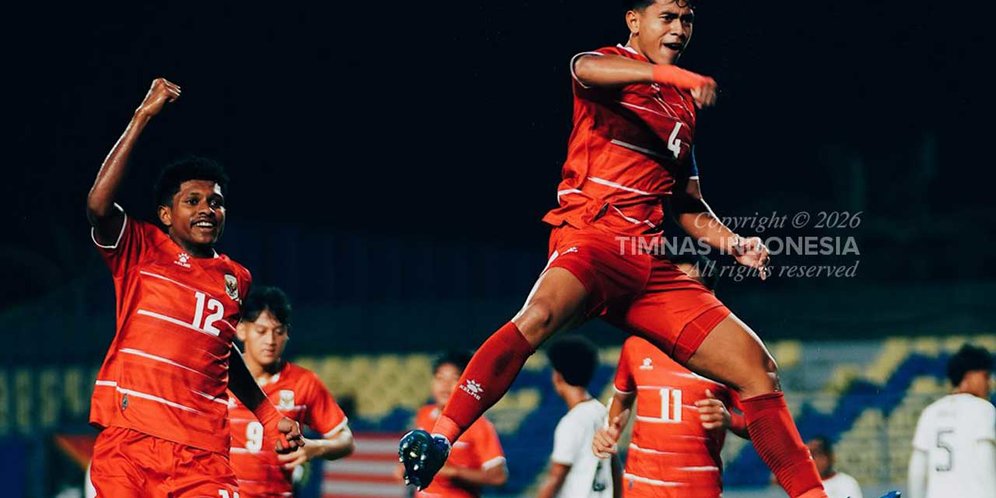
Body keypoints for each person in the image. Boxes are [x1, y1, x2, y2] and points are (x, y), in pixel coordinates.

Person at [399, 2, 828, 497]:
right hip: (594, 238)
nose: (680, 28)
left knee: (758, 370)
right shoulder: (608, 68)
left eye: (687, 20)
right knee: (536, 317)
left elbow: (686, 205)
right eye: (667, 16)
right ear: (634, 20)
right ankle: (440, 439)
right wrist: (673, 74)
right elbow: (581, 66)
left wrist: (734, 242)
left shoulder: (682, 108)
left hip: (648, 263)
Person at [86, 78, 302, 497]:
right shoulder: (140, 247)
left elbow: (221, 352)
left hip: (202, 454)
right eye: (193, 200)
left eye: (215, 202)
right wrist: (142, 116)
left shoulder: (236, 278)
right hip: (130, 443)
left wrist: (268, 415)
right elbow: (97, 205)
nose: (207, 209)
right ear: (166, 214)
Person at [592, 254, 748, 497]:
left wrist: (730, 420)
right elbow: (622, 401)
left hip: (698, 489)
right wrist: (609, 431)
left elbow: (760, 426)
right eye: (673, 286)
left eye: (688, 287)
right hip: (641, 486)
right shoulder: (637, 346)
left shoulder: (730, 355)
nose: (678, 295)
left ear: (709, 297)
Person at [228, 286, 355, 497]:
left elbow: (346, 441)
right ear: (241, 330)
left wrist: (315, 447)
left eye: (278, 332)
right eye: (261, 331)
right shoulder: (219, 376)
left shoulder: (303, 383)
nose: (270, 341)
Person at [403, 351, 508, 497]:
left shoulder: (478, 425)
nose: (445, 385)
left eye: (454, 379)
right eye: (440, 378)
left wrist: (453, 472)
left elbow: (499, 477)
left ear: (466, 384)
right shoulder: (423, 415)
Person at [908, 344, 995, 498]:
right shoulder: (984, 409)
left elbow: (917, 472)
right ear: (969, 376)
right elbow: (985, 458)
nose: (990, 383)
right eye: (985, 376)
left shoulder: (930, 412)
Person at [537, 337, 619, 498]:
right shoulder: (603, 413)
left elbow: (555, 477)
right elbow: (616, 470)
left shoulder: (572, 422)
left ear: (558, 377)